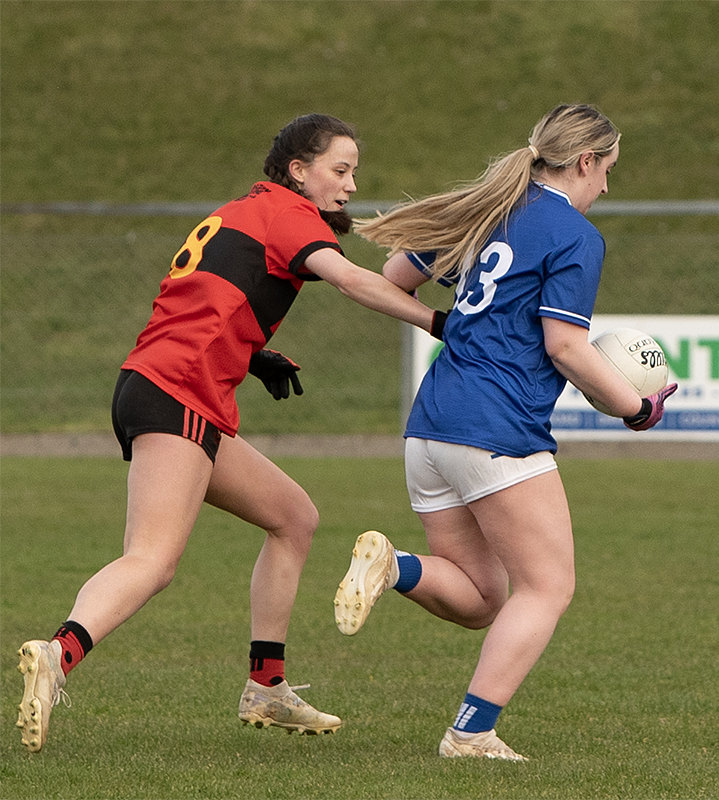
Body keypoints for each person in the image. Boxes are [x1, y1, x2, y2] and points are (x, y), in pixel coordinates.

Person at [15, 113, 448, 754]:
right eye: (340, 169)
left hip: (158, 386)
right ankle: (57, 656)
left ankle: (266, 687)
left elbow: (201, 298)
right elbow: (355, 279)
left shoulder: (239, 211)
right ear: (298, 171)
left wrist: (252, 354)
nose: (351, 185)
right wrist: (441, 323)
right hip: (180, 392)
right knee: (152, 560)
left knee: (293, 517)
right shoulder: (291, 214)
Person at [333, 104, 678, 761]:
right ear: (584, 161)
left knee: (481, 597)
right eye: (607, 168)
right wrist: (638, 408)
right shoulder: (574, 234)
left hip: (430, 427)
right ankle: (470, 733)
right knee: (548, 587)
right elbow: (566, 347)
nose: (607, 184)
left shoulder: (487, 210)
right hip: (497, 428)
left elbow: (392, 280)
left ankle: (393, 566)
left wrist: (442, 325)